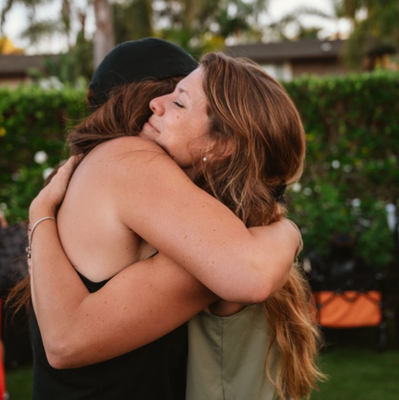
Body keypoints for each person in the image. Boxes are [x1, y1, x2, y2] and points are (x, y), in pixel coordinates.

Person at [27, 41, 321, 400]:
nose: (158, 105)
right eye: (171, 92)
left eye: (179, 100)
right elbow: (252, 274)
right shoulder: (129, 159)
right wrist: (288, 232)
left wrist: (39, 215)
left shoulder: (110, 174)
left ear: (221, 143)